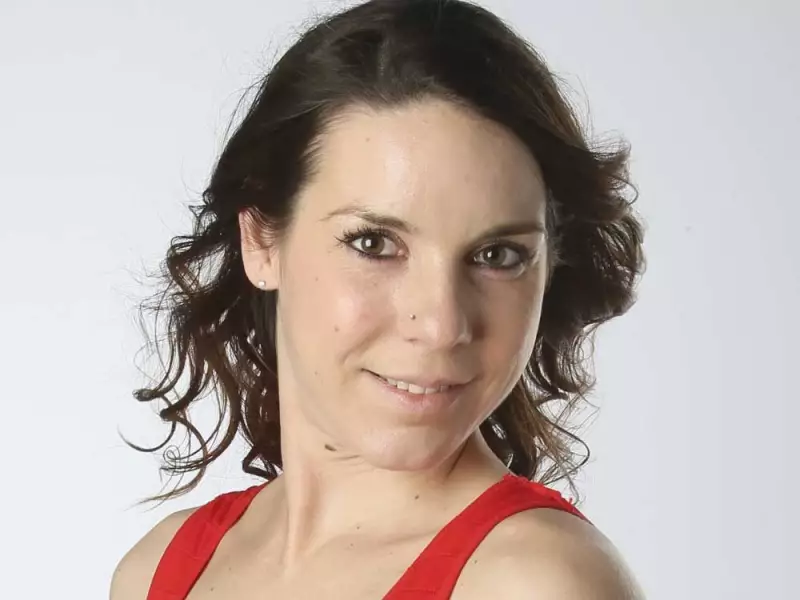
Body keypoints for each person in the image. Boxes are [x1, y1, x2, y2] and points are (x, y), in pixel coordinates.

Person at [111, 0, 646, 598]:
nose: (441, 324)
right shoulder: (155, 572)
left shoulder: (536, 584)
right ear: (261, 240)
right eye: (374, 244)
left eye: (498, 256)